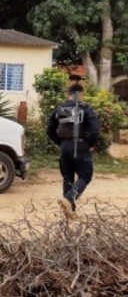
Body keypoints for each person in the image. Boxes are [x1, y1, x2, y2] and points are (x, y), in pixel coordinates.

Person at [47, 82, 100, 217]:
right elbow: (95, 129)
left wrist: (61, 143)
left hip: (65, 146)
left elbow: (50, 130)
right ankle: (69, 199)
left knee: (68, 177)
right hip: (81, 145)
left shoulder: (59, 109)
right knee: (85, 176)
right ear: (80, 94)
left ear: (68, 94)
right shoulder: (85, 108)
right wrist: (91, 144)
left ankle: (70, 210)